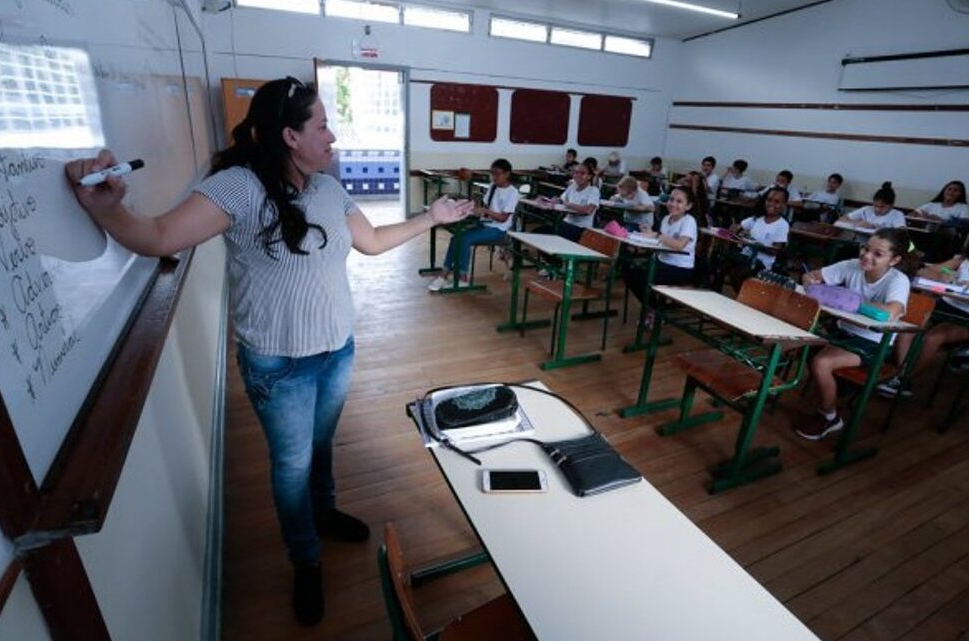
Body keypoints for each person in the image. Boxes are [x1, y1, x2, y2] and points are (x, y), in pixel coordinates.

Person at [63, 77, 472, 626]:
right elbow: (158, 237)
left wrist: (432, 218)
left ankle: (323, 512)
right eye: (322, 125)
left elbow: (372, 243)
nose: (332, 136)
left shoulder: (328, 188)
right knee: (291, 466)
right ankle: (305, 558)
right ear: (289, 135)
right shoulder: (238, 187)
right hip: (279, 366)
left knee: (321, 444)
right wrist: (111, 211)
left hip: (337, 350)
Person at [798, 228, 912, 440]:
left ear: (894, 260)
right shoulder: (852, 265)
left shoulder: (898, 280)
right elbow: (811, 275)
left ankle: (830, 416)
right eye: (866, 248)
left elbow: (892, 312)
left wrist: (849, 300)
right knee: (798, 340)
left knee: (821, 363)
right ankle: (836, 389)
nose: (866, 256)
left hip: (873, 341)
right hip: (842, 330)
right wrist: (810, 281)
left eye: (878, 254)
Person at [878, 230, 969, 398]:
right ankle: (900, 373)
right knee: (906, 329)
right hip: (942, 308)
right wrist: (943, 274)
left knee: (932, 339)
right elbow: (927, 269)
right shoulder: (962, 261)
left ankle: (905, 380)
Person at [428, 158, 519, 291]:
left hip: (499, 230)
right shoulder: (493, 187)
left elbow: (503, 218)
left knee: (464, 239)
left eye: (497, 174)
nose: (494, 177)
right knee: (455, 238)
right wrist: (473, 210)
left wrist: (486, 211)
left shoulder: (512, 192)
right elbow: (486, 207)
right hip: (485, 224)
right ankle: (444, 274)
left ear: (507, 174)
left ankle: (462, 278)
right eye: (492, 174)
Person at [623, 185, 698, 314]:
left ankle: (652, 310)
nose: (673, 204)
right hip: (661, 262)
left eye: (679, 201)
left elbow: (680, 245)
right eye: (671, 199)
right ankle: (654, 307)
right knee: (628, 270)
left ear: (688, 206)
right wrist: (647, 234)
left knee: (640, 277)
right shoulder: (666, 219)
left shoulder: (689, 221)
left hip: (680, 268)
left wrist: (657, 235)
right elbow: (661, 242)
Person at [715, 187, 791, 291]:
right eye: (769, 200)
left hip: (762, 263)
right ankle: (716, 290)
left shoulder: (782, 225)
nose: (771, 204)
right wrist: (736, 229)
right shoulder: (757, 218)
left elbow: (775, 251)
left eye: (776, 202)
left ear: (784, 205)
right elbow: (738, 227)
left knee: (738, 267)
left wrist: (755, 244)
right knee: (721, 257)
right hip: (745, 256)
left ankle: (742, 294)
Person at [538, 163, 599, 242]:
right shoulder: (572, 187)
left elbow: (588, 210)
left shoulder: (593, 190)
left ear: (589, 176)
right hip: (566, 223)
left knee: (554, 238)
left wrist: (568, 204)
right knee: (539, 232)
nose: (578, 176)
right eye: (576, 173)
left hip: (580, 228)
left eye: (582, 173)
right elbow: (561, 200)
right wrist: (549, 201)